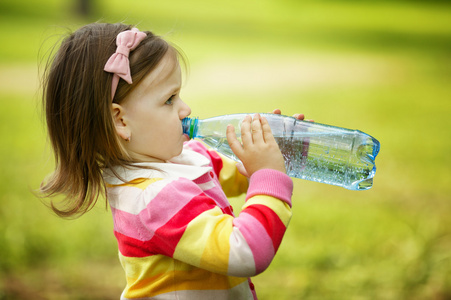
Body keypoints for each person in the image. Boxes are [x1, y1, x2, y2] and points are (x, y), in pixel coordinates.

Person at [40, 22, 306, 300]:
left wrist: (278, 153)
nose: (185, 109)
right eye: (169, 99)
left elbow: (238, 173)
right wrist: (268, 175)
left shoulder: (183, 156)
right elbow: (248, 251)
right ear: (120, 120)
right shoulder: (153, 197)